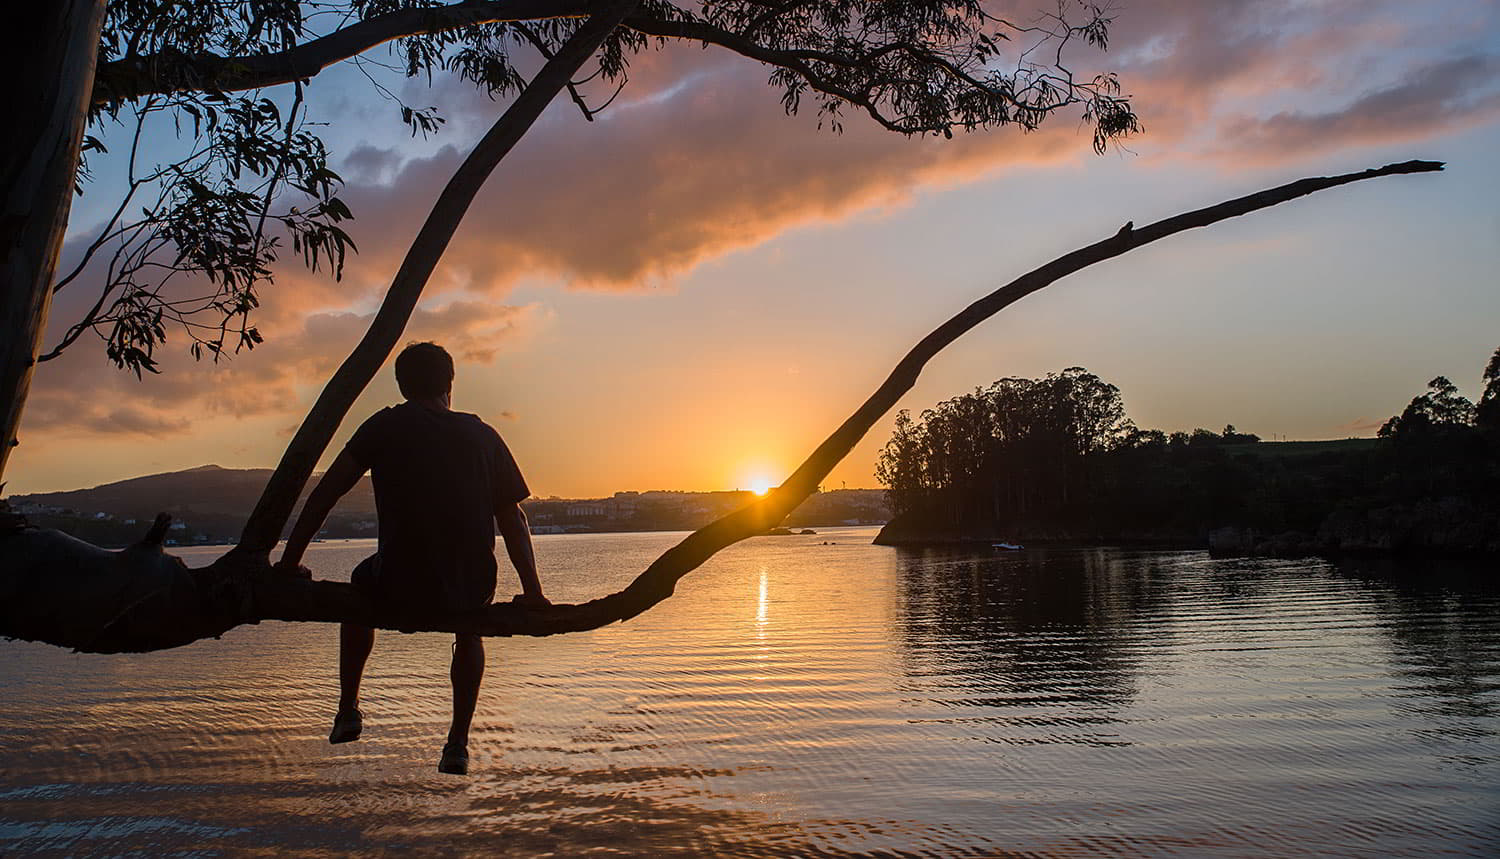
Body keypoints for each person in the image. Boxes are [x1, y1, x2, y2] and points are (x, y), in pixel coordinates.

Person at [276, 342, 549, 775]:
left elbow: (325, 494)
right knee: (470, 627)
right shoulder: (483, 434)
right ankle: (458, 742)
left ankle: (348, 708)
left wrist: (290, 563)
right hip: (469, 585)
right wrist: (533, 592)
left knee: (356, 588)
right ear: (450, 383)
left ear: (402, 386)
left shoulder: (384, 426)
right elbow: (512, 518)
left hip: (398, 583)